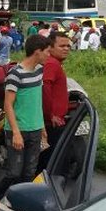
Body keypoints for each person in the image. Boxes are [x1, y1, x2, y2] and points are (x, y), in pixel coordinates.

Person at [0, 35, 52, 211]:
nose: (48, 55)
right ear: (37, 51)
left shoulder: (39, 70)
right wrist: (15, 132)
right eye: (47, 51)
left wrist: (42, 127)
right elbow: (8, 105)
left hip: (35, 128)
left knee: (29, 173)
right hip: (18, 129)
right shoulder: (15, 74)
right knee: (14, 172)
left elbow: (36, 101)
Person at [38, 31, 72, 172]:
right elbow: (45, 89)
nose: (66, 49)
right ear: (50, 47)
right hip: (52, 123)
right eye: (62, 46)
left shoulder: (55, 63)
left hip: (53, 120)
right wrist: (50, 114)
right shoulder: (52, 64)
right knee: (49, 164)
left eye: (68, 46)